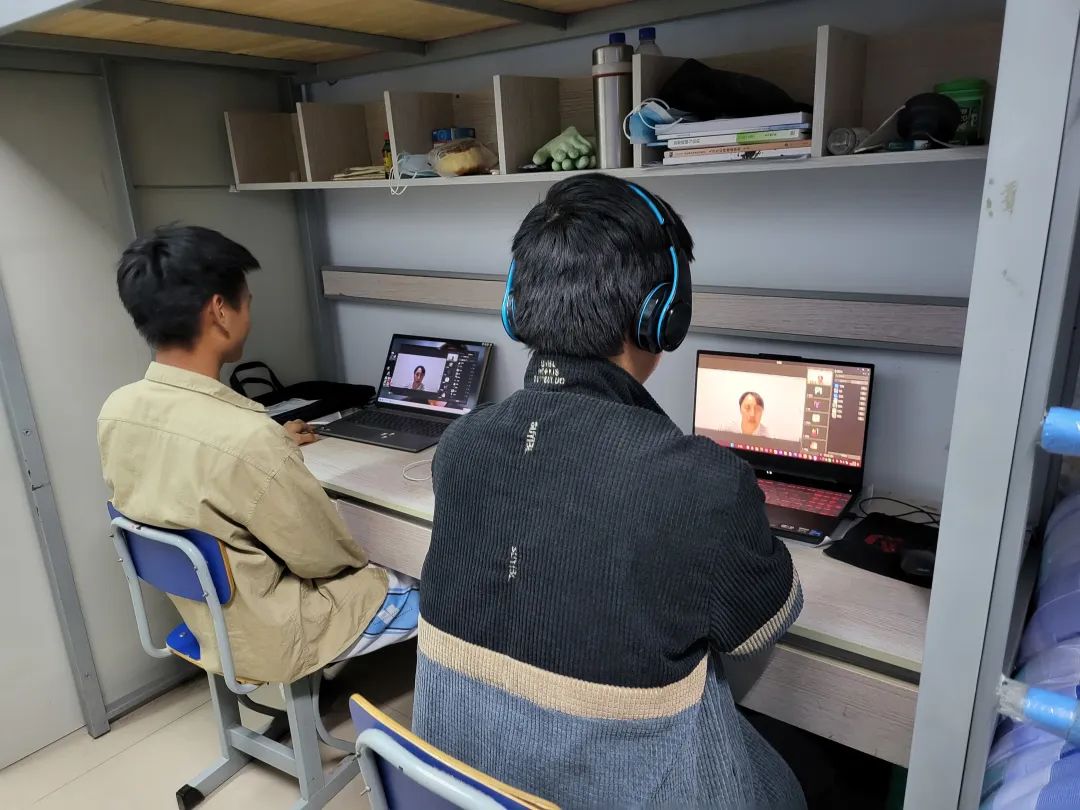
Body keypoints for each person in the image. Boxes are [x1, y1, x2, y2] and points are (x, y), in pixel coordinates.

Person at [415, 175, 805, 809]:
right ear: (664, 313)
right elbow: (761, 629)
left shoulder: (460, 445)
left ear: (515, 303)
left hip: (471, 788)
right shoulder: (702, 480)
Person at [97, 225, 417, 685]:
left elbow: (189, 474)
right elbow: (326, 559)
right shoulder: (247, 438)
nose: (249, 315)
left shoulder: (118, 410)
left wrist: (273, 445)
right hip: (275, 634)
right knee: (430, 579)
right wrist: (266, 450)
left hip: (208, 620)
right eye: (246, 302)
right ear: (220, 311)